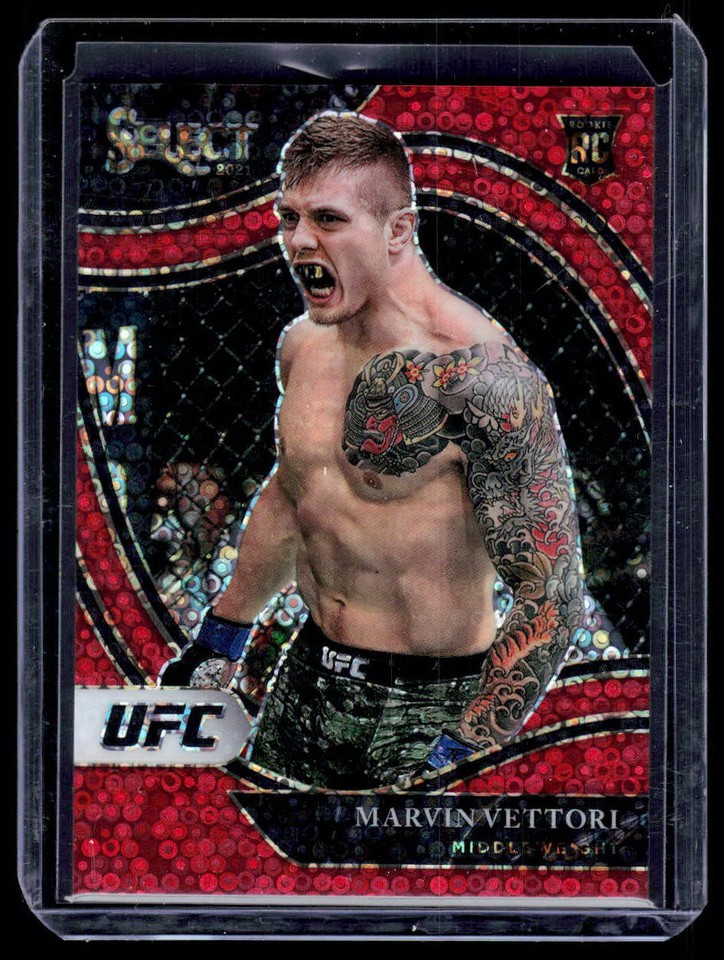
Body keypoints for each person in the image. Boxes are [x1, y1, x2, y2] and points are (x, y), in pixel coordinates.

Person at [161, 111, 585, 789]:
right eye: (289, 217)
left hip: (433, 702)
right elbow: (295, 496)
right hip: (309, 680)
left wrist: (462, 750)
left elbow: (551, 598)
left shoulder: (485, 378)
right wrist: (222, 636)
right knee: (260, 854)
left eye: (328, 219)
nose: (299, 240)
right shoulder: (302, 346)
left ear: (398, 230)